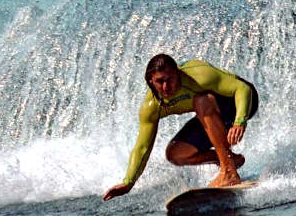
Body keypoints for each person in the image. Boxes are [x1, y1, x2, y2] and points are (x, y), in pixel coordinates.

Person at [103, 54, 258, 200]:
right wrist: (128, 182)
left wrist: (240, 121)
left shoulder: (199, 76)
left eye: (170, 79)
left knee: (201, 100)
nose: (166, 86)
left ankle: (229, 172)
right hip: (212, 115)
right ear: (151, 81)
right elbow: (142, 147)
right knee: (176, 153)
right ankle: (231, 160)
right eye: (160, 81)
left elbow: (243, 89)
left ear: (178, 74)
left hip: (241, 103)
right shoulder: (151, 107)